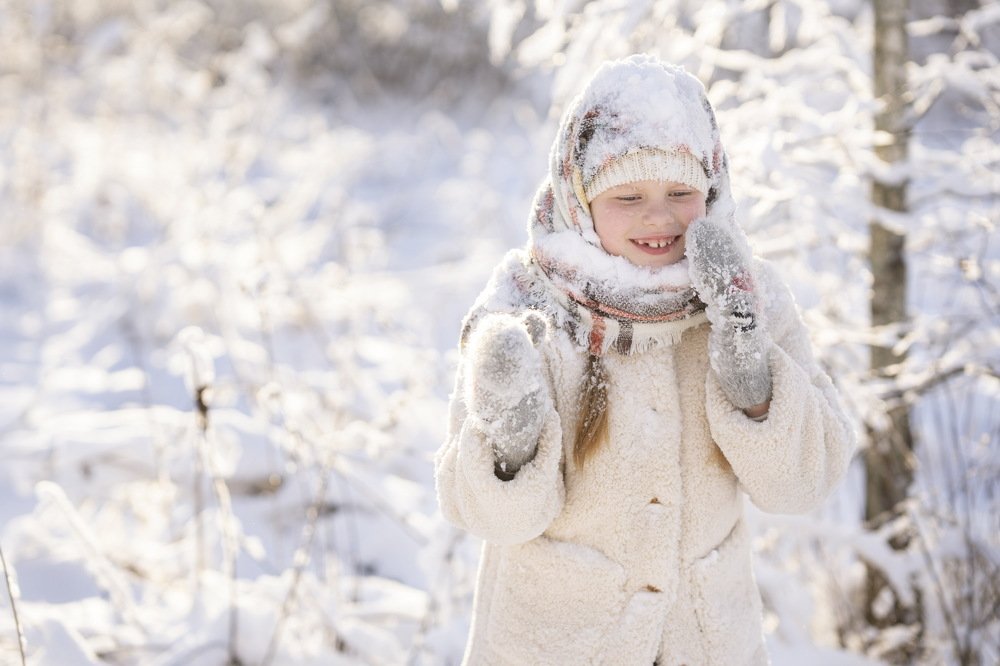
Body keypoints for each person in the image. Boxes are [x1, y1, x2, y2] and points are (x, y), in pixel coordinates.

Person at [434, 54, 856, 665]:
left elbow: (802, 484)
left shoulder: (744, 298)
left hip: (706, 643)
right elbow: (487, 517)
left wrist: (752, 379)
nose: (658, 217)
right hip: (553, 644)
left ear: (710, 189)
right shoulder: (525, 312)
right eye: (628, 195)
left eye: (680, 192)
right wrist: (509, 443)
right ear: (578, 196)